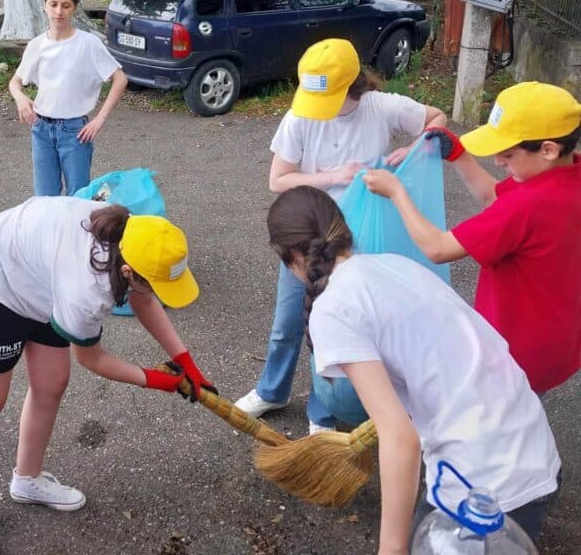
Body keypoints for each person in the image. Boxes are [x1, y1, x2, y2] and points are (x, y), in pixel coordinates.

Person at [266, 185, 561, 553]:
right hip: (535, 453)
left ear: (290, 255)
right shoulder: (393, 264)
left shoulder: (335, 306)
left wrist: (391, 547)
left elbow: (399, 437)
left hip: (483, 484)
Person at [0, 196, 214, 554]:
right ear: (128, 273)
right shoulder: (86, 291)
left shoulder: (135, 238)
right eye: (154, 284)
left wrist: (184, 360)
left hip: (43, 276)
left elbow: (145, 299)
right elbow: (92, 358)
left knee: (52, 382)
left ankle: (27, 480)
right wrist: (159, 380)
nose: (160, 295)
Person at [234, 38, 446, 433]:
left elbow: (437, 118)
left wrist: (417, 145)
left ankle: (324, 410)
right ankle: (271, 390)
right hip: (307, 236)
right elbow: (278, 180)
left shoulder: (383, 108)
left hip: (358, 240)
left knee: (333, 329)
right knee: (287, 322)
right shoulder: (300, 117)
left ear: (353, 87)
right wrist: (332, 175)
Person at [363, 81, 581, 395]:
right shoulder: (565, 175)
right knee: (521, 418)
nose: (498, 162)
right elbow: (496, 196)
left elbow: (437, 248)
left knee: (487, 430)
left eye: (507, 153)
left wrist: (396, 193)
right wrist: (460, 155)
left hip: (510, 353)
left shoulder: (528, 205)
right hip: (555, 339)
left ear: (548, 149)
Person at [9, 0, 128, 196]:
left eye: (66, 5)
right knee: (45, 198)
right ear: (44, 5)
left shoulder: (88, 43)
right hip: (41, 128)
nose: (58, 11)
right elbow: (15, 81)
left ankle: (80, 230)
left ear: (74, 8)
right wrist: (20, 97)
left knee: (78, 196)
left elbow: (119, 79)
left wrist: (99, 119)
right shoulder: (37, 45)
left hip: (75, 132)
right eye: (53, 4)